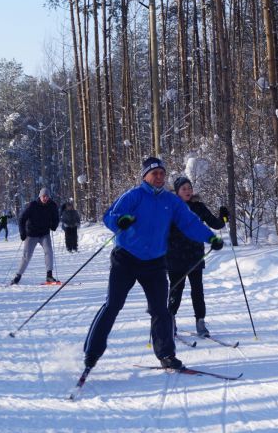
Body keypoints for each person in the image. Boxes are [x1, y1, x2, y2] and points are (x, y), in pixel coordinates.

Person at [82, 157, 224, 371]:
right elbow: (111, 215)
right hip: (126, 258)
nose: (158, 177)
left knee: (161, 310)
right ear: (145, 176)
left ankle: (166, 354)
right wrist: (120, 221)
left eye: (161, 174)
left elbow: (189, 222)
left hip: (155, 262)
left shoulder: (171, 201)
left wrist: (209, 237)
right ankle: (92, 353)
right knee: (113, 305)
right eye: (154, 173)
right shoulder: (134, 196)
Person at [167, 176, 229, 337]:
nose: (187, 191)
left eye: (189, 188)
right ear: (177, 191)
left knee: (197, 290)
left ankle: (200, 322)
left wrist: (224, 217)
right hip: (175, 255)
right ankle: (170, 320)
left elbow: (216, 224)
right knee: (176, 289)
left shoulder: (198, 207)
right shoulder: (171, 207)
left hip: (195, 254)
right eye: (184, 189)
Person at [10, 188, 59, 285]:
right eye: (43, 196)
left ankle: (49, 276)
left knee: (48, 251)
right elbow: (22, 219)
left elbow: (56, 217)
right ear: (40, 196)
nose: (45, 198)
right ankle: (18, 276)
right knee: (27, 256)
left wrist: (54, 225)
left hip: (44, 233)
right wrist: (22, 233)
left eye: (47, 196)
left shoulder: (52, 205)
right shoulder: (33, 205)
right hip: (31, 234)